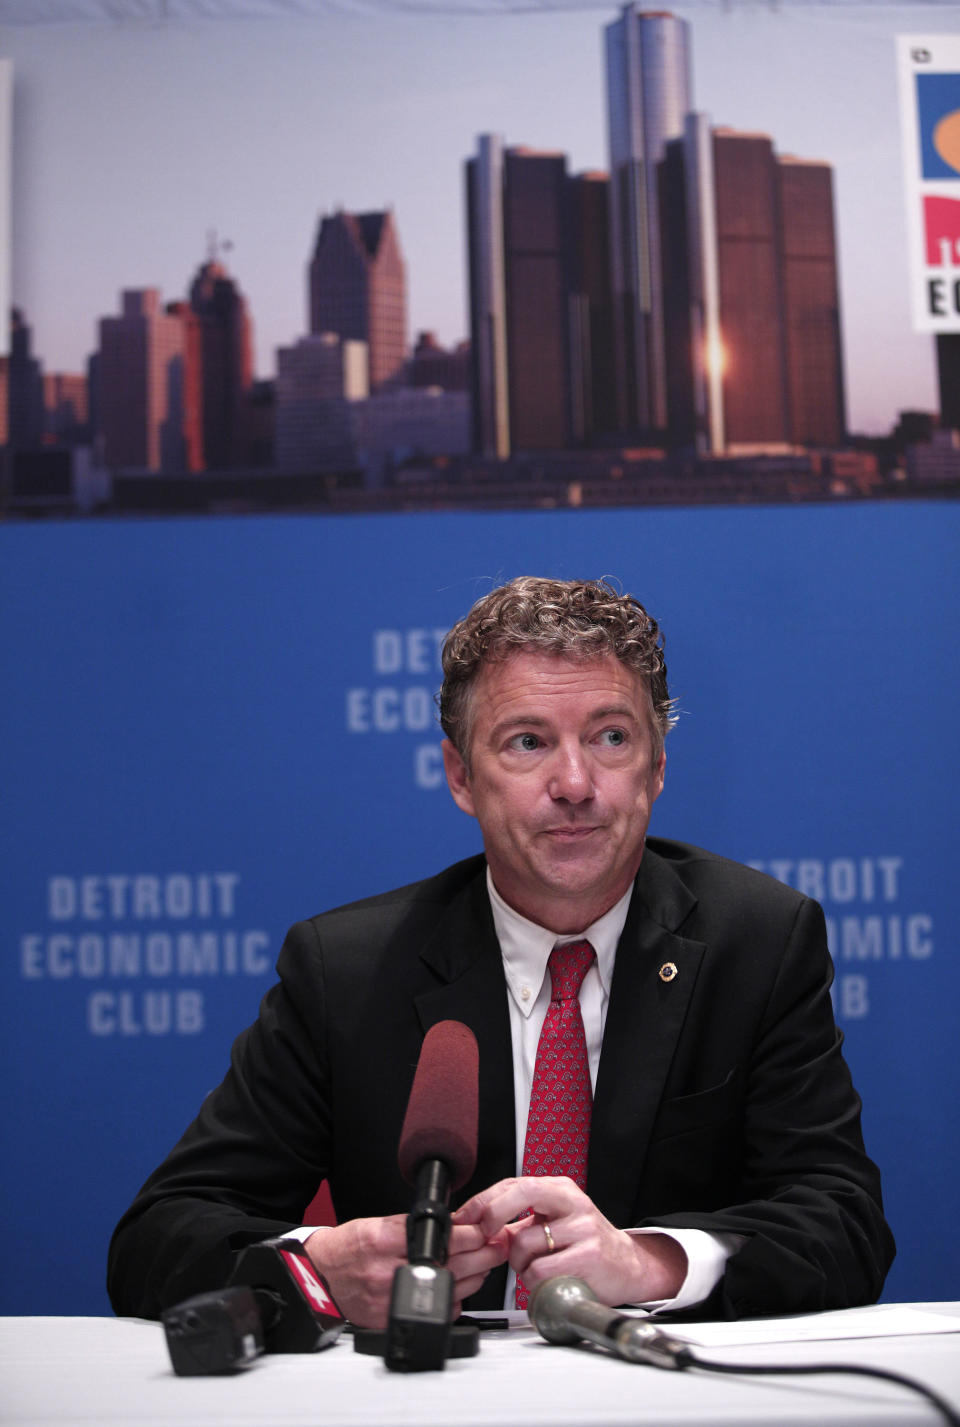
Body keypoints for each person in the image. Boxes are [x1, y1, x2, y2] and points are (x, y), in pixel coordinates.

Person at [107, 577, 894, 1327]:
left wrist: (650, 1261)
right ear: (461, 776)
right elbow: (156, 1238)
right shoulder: (345, 970)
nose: (575, 782)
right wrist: (319, 1268)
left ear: (656, 768)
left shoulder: (756, 941)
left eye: (611, 737)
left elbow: (845, 1224)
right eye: (528, 742)